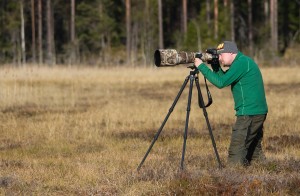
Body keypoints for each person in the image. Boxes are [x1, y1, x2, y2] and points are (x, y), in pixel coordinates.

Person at [194, 41, 268, 166]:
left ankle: (233, 177)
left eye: (221, 55)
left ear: (232, 53)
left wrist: (201, 66)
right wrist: (216, 66)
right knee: (254, 151)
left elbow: (221, 82)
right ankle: (264, 172)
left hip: (249, 113)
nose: (220, 58)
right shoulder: (242, 61)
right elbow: (225, 78)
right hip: (256, 112)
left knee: (237, 150)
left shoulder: (241, 63)